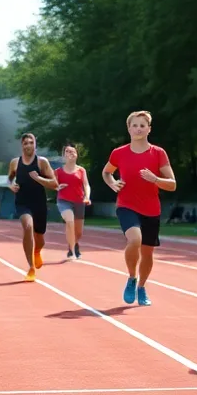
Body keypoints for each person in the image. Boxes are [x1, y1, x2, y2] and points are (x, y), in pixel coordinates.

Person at [102, 111, 177, 305]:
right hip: (126, 204)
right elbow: (107, 172)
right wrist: (112, 183)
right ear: (128, 128)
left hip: (151, 208)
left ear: (149, 129)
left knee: (148, 253)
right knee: (134, 239)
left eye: (142, 125)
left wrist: (156, 179)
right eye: (134, 125)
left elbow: (172, 183)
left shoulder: (158, 153)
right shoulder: (119, 153)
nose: (138, 129)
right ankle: (131, 278)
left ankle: (142, 287)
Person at [8, 133, 59, 281]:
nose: (28, 145)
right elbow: (9, 179)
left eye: (31, 143)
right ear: (22, 146)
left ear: (35, 145)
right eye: (25, 143)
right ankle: (30, 267)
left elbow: (54, 184)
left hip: (39, 203)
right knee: (28, 227)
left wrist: (38, 178)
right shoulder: (15, 163)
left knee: (40, 238)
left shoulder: (42, 162)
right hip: (22, 202)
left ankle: (37, 251)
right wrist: (11, 185)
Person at [55, 143, 91, 259]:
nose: (71, 153)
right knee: (70, 221)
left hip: (79, 201)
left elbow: (86, 185)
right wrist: (56, 187)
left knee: (78, 232)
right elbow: (52, 183)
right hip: (63, 201)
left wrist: (87, 196)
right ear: (63, 155)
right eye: (68, 151)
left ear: (76, 155)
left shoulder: (81, 170)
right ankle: (71, 251)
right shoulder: (58, 171)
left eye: (73, 151)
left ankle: (74, 244)